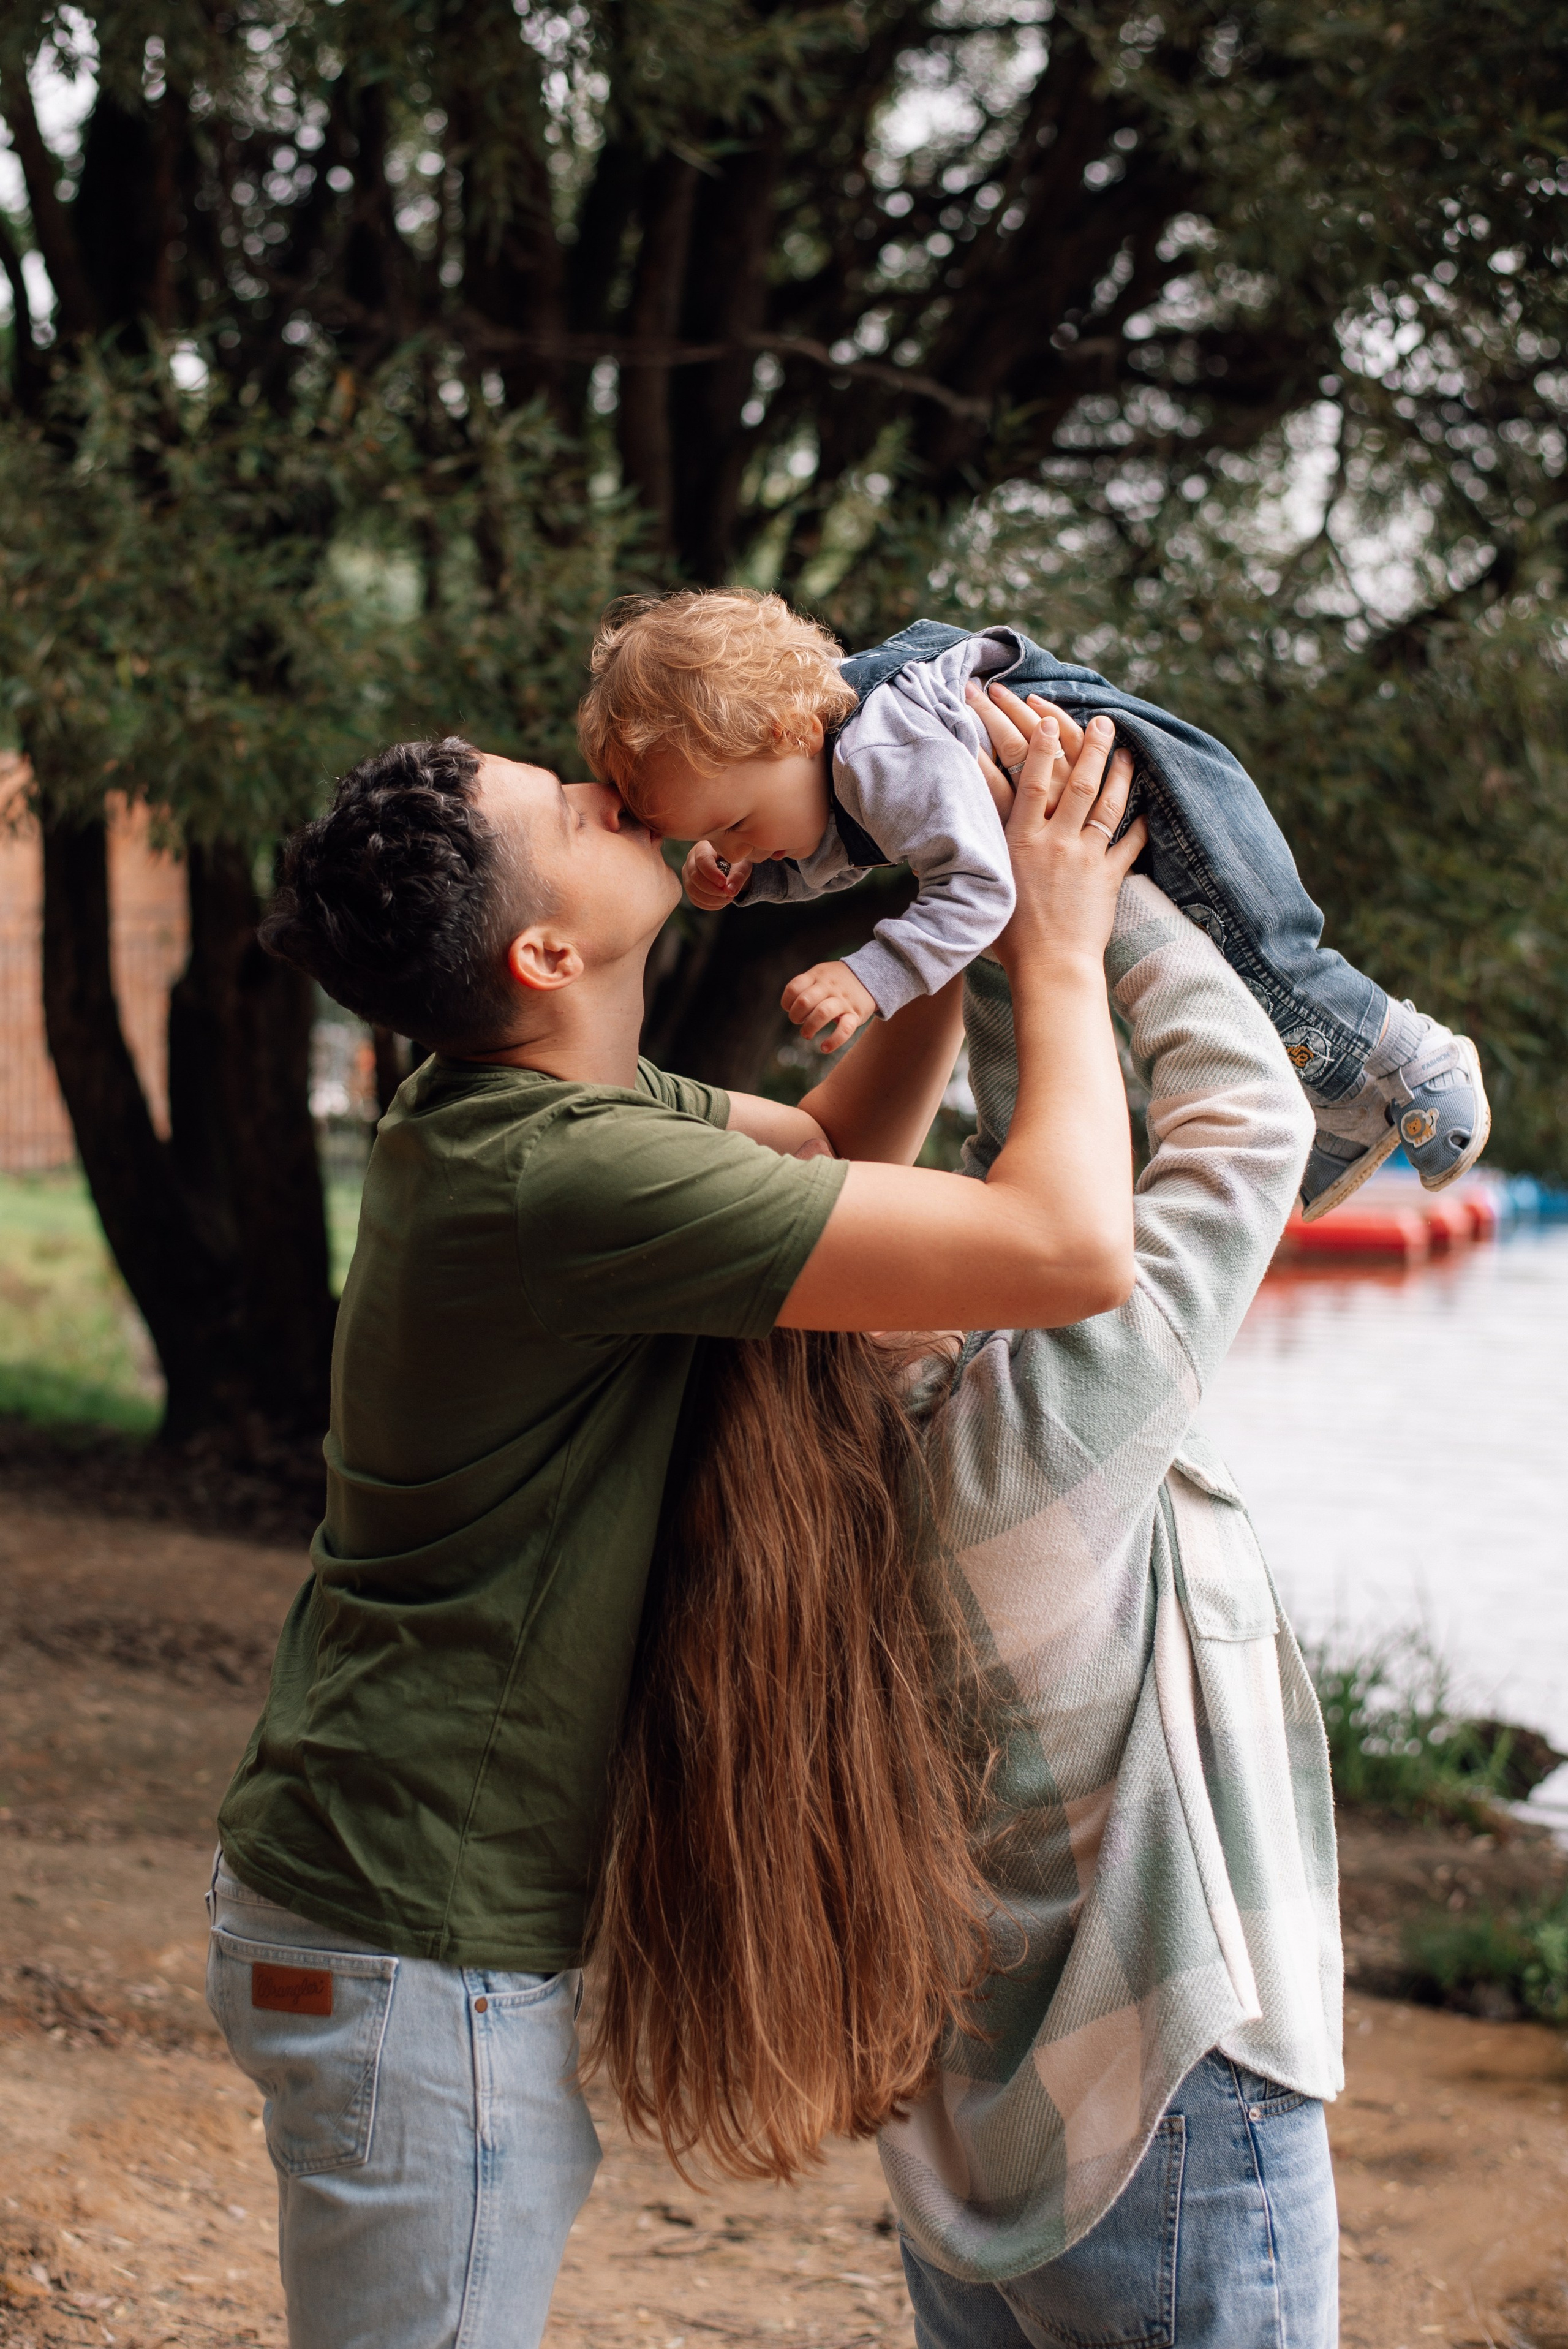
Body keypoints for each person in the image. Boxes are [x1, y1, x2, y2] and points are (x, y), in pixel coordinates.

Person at [204, 714, 1144, 2349]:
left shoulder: (560, 1122)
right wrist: (1057, 951)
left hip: (388, 1904)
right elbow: (1064, 1247)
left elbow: (847, 1169)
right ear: (550, 946)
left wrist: (943, 914)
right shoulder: (561, 1180)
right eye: (571, 807)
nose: (607, 789)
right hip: (414, 1933)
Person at [589, 689, 1342, 2347]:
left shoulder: (792, 1498)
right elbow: (1244, 1131)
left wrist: (954, 935)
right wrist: (1073, 900)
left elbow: (1042, 1173)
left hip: (971, 2137)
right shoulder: (1020, 1450)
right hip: (1170, 2107)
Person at [578, 587, 1488, 1220]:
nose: (734, 846)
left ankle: (1420, 1061)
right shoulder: (840, 757)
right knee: (1238, 978)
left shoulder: (882, 750)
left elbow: (980, 885)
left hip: (1146, 791)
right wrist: (750, 873)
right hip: (1086, 798)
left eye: (733, 824)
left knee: (1264, 959)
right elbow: (833, 847)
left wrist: (870, 979)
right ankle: (1345, 1106)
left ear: (787, 731)